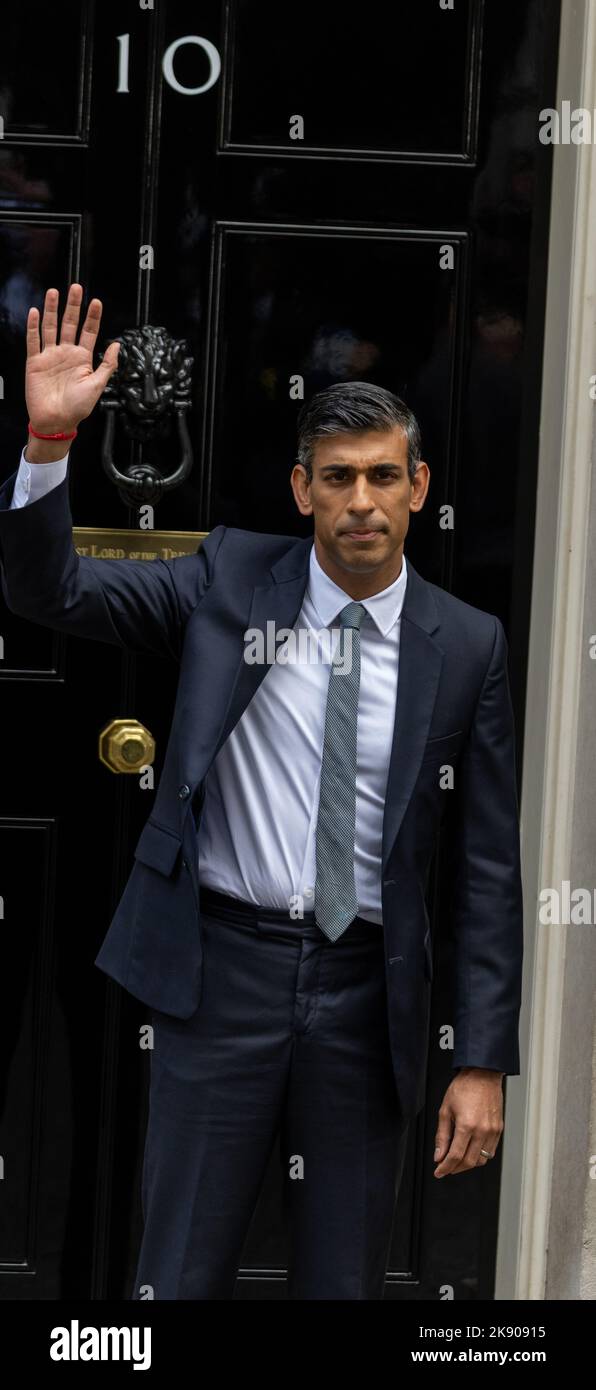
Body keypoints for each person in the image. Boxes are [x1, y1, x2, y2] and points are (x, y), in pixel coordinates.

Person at [0, 285, 523, 1300]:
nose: (359, 501)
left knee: (341, 1280)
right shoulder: (227, 582)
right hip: (220, 975)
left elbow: (485, 865)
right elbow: (47, 591)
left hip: (369, 995)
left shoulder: (465, 645)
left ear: (417, 487)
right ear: (301, 491)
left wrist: (481, 1057)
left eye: (381, 477)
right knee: (178, 1271)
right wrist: (50, 442)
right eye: (336, 479)